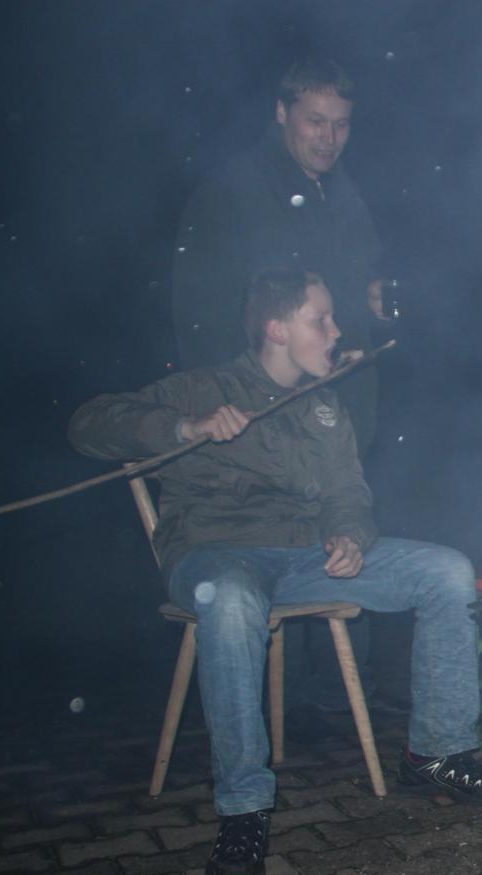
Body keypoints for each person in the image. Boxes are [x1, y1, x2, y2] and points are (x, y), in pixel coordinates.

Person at [70, 268, 482, 875]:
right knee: (230, 600)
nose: (335, 331)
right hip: (217, 557)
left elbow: (348, 494)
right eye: (320, 319)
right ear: (277, 328)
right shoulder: (205, 388)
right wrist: (187, 428)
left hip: (305, 560)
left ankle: (435, 752)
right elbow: (88, 425)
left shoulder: (324, 406)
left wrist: (349, 538)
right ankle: (243, 809)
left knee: (445, 570)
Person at [173, 57, 392, 734]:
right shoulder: (234, 191)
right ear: (280, 113)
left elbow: (358, 279)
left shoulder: (342, 192)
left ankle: (336, 689)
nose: (329, 138)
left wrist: (369, 307)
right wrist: (232, 393)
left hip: (338, 397)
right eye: (315, 122)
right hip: (259, 404)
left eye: (342, 125)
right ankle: (283, 696)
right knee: (273, 523)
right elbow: (203, 304)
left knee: (344, 515)